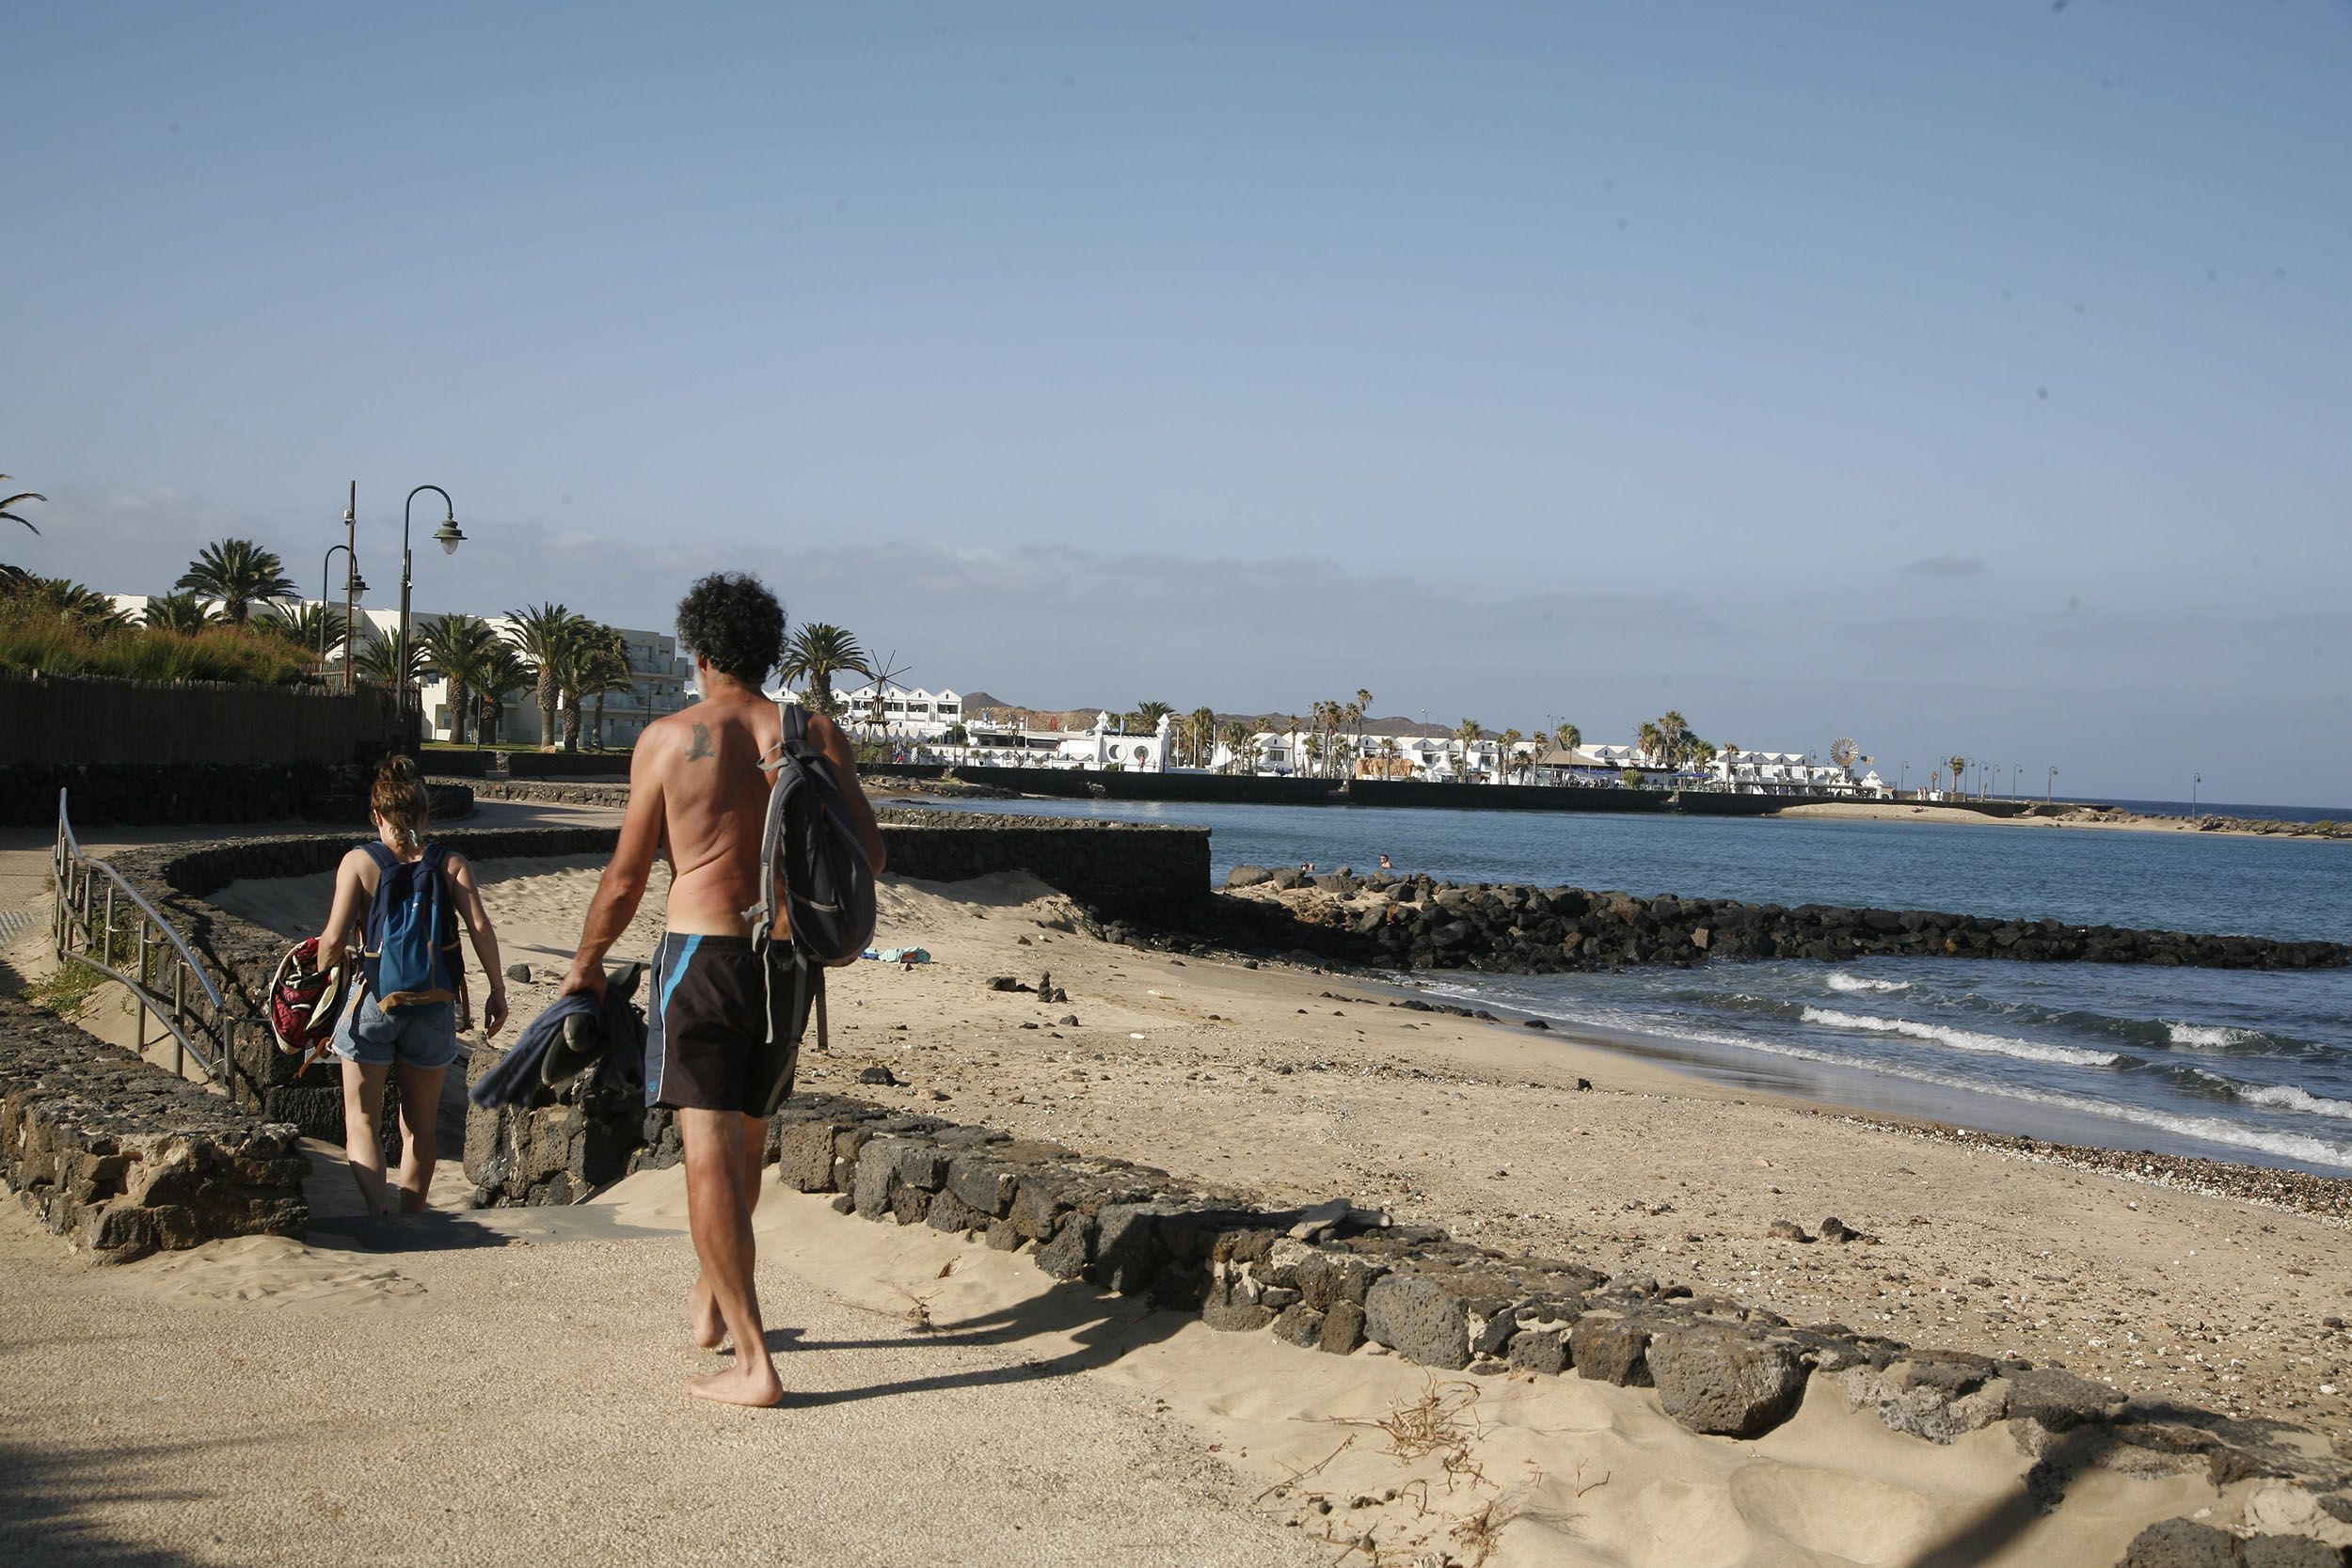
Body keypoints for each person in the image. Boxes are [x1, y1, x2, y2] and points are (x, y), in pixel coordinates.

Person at [559, 573, 884, 1407]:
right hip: (787, 964)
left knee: (704, 1155)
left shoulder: (671, 739)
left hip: (701, 957)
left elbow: (628, 877)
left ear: (699, 654)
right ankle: (712, 1299)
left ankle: (754, 1362)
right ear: (769, 653)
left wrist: (586, 963)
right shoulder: (812, 732)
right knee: (744, 1147)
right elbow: (869, 858)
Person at [315, 755, 508, 1215]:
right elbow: (480, 927)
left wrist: (321, 969)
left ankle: (379, 1218)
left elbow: (334, 939)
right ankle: (411, 1217)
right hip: (435, 1003)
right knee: (420, 1126)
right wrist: (497, 992)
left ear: (376, 815)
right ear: (425, 814)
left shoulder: (359, 862)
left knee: (361, 1119)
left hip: (375, 1003)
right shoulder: (452, 863)